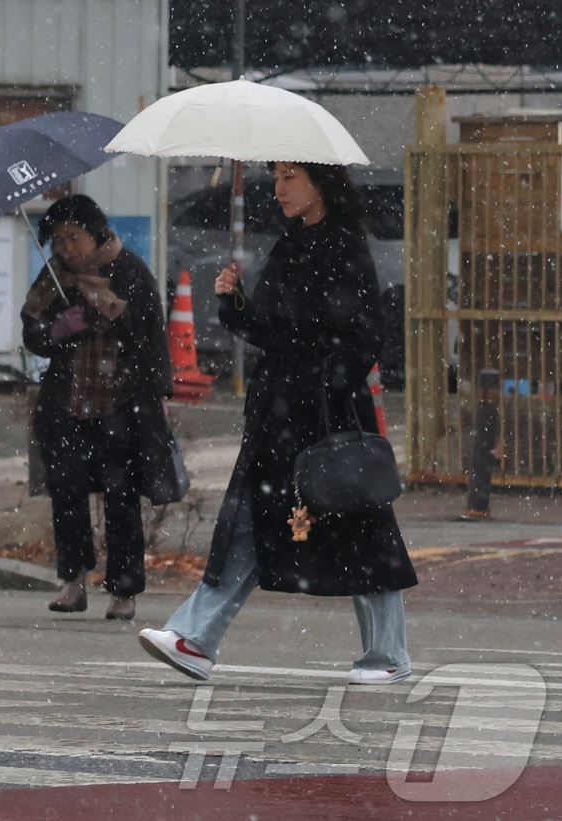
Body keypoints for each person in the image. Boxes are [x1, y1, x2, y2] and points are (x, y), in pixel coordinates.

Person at [139, 161, 417, 685]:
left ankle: (389, 654)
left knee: (360, 527)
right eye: (277, 176)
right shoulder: (295, 240)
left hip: (329, 415)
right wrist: (234, 301)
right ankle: (196, 639)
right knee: (250, 519)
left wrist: (321, 375)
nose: (280, 188)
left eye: (291, 176)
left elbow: (365, 339)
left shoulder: (344, 246)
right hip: (280, 412)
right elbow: (272, 327)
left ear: (320, 183)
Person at [21, 195, 175, 621]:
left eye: (75, 237)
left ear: (97, 233)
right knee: (66, 494)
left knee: (120, 497)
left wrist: (159, 392)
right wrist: (56, 329)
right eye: (59, 240)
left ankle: (124, 590)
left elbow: (151, 334)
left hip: (119, 405)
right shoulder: (53, 278)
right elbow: (31, 330)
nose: (67, 248)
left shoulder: (129, 272)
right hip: (67, 404)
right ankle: (73, 580)